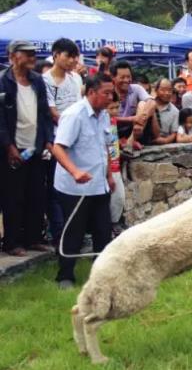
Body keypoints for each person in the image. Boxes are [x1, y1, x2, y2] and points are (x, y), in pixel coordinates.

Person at [53, 74, 115, 288]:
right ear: (90, 92)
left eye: (111, 93)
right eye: (105, 93)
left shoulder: (104, 114)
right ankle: (65, 277)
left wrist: (108, 175)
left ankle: (101, 277)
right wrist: (75, 172)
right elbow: (58, 148)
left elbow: (103, 145)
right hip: (74, 188)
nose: (110, 97)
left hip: (99, 184)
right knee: (74, 233)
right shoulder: (74, 115)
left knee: (103, 231)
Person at [0, 40, 54, 256]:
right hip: (12, 148)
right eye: (27, 54)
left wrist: (47, 140)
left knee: (36, 194)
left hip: (35, 147)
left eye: (34, 54)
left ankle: (33, 238)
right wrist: (8, 146)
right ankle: (12, 242)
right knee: (13, 196)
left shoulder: (37, 81)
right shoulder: (4, 82)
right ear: (13, 56)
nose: (32, 58)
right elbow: (1, 120)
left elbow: (44, 114)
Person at [43, 38, 82, 245]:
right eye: (68, 56)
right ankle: (58, 234)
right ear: (56, 55)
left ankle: (75, 232)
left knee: (75, 188)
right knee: (55, 189)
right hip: (56, 141)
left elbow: (79, 105)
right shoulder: (45, 80)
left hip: (77, 140)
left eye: (74, 57)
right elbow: (52, 112)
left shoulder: (76, 79)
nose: (71, 61)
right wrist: (72, 127)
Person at [106, 92, 124, 237]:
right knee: (112, 197)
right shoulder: (101, 122)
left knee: (118, 197)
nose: (114, 111)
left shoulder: (113, 121)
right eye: (111, 108)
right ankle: (110, 226)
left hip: (116, 163)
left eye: (117, 107)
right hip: (108, 166)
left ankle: (114, 223)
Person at [148, 78, 179, 145]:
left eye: (169, 90)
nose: (167, 93)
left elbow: (174, 133)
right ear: (156, 90)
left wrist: (166, 140)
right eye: (163, 90)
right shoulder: (148, 103)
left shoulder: (175, 111)